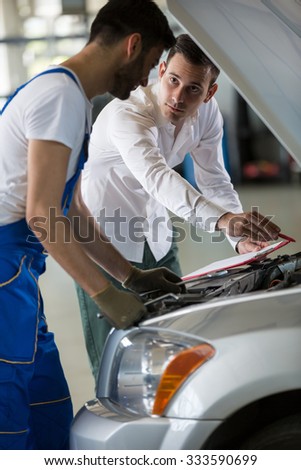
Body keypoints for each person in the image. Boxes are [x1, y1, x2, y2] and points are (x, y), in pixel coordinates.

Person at [0, 0, 181, 450]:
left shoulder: (73, 98)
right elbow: (43, 215)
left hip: (19, 274)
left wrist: (129, 275)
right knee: (9, 417)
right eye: (151, 64)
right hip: (3, 272)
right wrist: (104, 297)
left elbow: (71, 212)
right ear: (132, 45)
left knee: (48, 406)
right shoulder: (60, 96)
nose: (146, 80)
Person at [76, 34, 282, 382]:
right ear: (160, 69)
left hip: (158, 239)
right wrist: (224, 220)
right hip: (103, 245)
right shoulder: (128, 113)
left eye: (193, 89)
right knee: (116, 365)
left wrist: (238, 241)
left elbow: (214, 180)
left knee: (170, 348)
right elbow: (156, 177)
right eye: (173, 80)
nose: (178, 96)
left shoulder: (207, 115)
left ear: (210, 92)